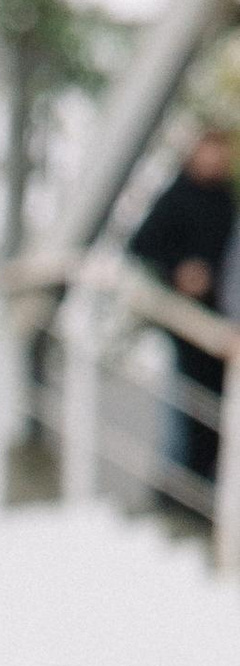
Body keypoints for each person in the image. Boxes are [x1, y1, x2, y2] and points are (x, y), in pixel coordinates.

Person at [129, 128, 235, 510]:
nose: (215, 159)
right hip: (186, 322)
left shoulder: (225, 199)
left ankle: (204, 495)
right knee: (188, 405)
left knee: (216, 411)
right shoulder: (177, 197)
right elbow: (141, 244)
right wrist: (180, 271)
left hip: (220, 327)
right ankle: (176, 494)